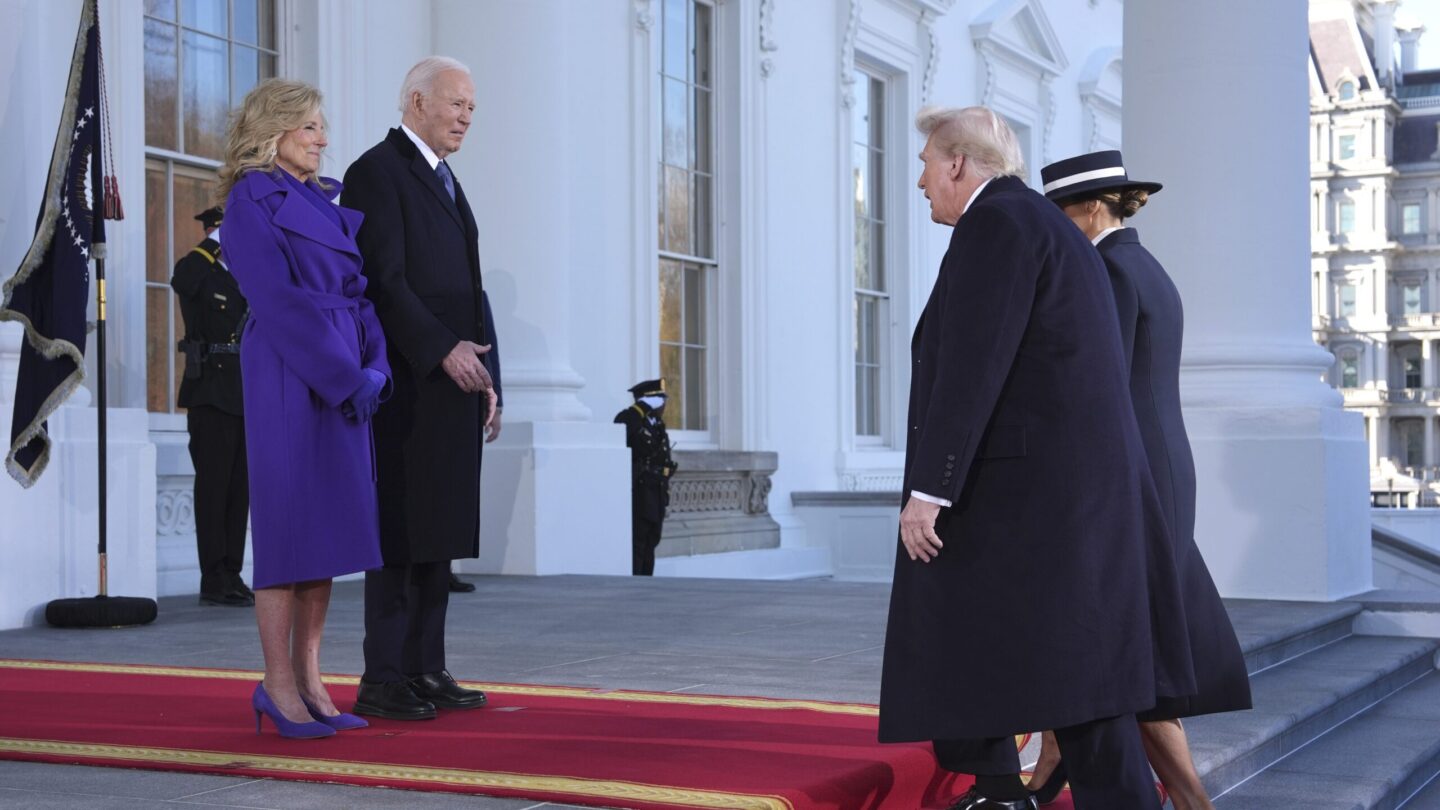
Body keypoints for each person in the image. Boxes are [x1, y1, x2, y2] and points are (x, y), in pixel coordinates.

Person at [878, 106, 1196, 810]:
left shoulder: (997, 225)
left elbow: (973, 363)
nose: (921, 181)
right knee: (1061, 671)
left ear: (959, 163)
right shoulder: (1041, 226)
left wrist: (932, 488)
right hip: (1057, 497)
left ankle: (1009, 787)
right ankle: (997, 786)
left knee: (1076, 682)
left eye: (927, 164)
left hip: (1032, 501)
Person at [1025, 150, 1252, 810]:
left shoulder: (1105, 270)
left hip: (1134, 477)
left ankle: (1189, 802)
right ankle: (1053, 754)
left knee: (1136, 658)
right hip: (1164, 466)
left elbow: (1098, 392)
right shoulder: (1147, 267)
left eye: (1060, 215)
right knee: (1134, 650)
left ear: (1092, 209)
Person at [218, 78, 390, 739]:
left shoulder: (320, 199)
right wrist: (345, 376)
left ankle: (313, 678)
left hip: (345, 366)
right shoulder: (249, 200)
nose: (323, 139)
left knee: (327, 531)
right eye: (311, 127)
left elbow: (361, 295)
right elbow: (280, 302)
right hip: (292, 372)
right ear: (276, 130)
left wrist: (375, 365)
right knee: (290, 531)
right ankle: (278, 686)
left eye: (322, 127)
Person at [341, 56, 496, 721]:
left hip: (458, 382)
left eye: (471, 107)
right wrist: (441, 350)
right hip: (410, 385)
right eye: (456, 103)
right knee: (402, 536)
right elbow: (384, 283)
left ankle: (427, 668)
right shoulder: (375, 172)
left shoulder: (448, 180)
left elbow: (470, 287)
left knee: (440, 534)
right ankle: (384, 677)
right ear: (415, 100)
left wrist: (493, 381)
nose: (466, 116)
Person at [171, 205, 252, 608]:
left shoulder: (243, 278)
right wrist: (213, 243)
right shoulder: (198, 269)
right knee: (214, 487)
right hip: (210, 395)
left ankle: (233, 572)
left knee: (240, 490)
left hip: (244, 395)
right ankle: (213, 576)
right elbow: (181, 281)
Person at [449, 289, 503, 594]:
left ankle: (448, 567)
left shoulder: (477, 295)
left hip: (473, 400)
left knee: (461, 488)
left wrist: (498, 404)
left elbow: (491, 349)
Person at [614, 379, 677, 576]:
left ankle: (647, 582)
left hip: (657, 490)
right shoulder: (632, 418)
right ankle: (636, 583)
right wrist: (639, 407)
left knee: (652, 540)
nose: (664, 405)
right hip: (641, 491)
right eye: (660, 400)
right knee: (638, 541)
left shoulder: (657, 424)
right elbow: (621, 426)